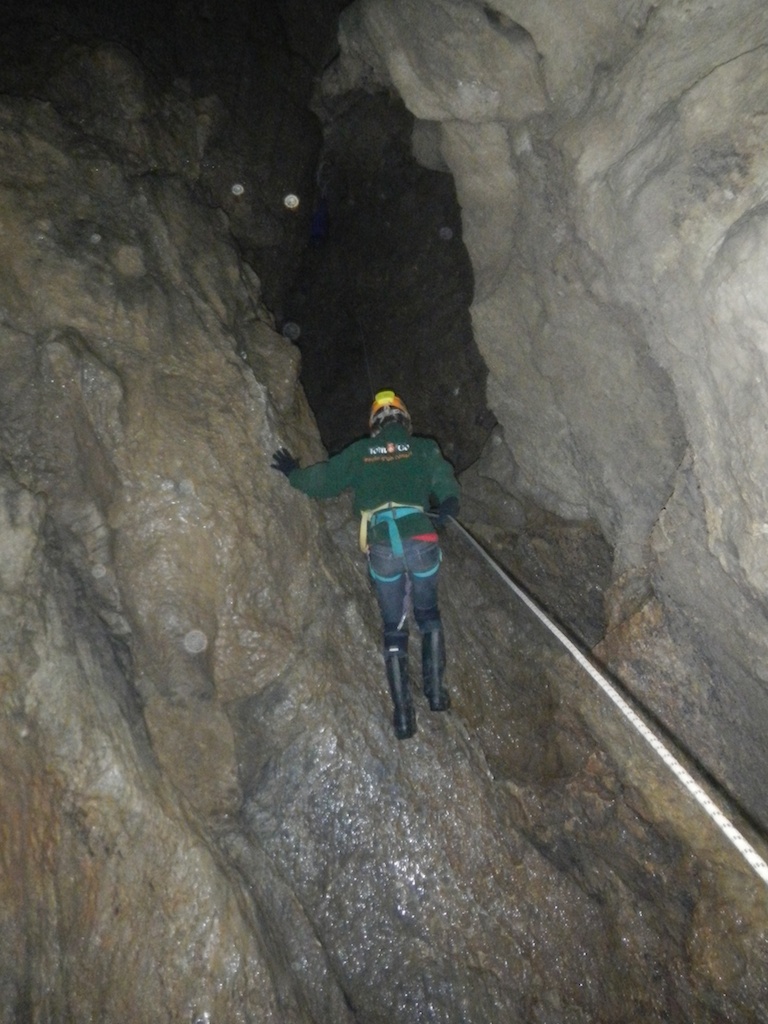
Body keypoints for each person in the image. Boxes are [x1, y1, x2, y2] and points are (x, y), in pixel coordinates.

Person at [271, 390, 460, 740]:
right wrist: (449, 502)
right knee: (428, 616)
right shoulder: (422, 447)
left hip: (383, 548)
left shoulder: (360, 452)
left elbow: (324, 481)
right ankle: (436, 695)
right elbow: (443, 478)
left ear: (375, 424)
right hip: (421, 541)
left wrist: (293, 474)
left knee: (394, 629)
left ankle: (403, 718)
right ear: (404, 420)